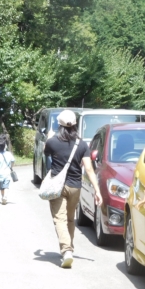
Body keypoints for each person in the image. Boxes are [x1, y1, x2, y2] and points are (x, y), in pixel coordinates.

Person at [44, 110, 102, 269]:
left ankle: (67, 250)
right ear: (75, 125)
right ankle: (69, 247)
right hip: (75, 186)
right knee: (70, 219)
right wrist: (97, 191)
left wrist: (49, 137)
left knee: (59, 219)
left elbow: (46, 152)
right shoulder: (82, 144)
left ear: (59, 125)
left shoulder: (52, 142)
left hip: (58, 186)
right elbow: (89, 169)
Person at [0, 135, 15, 205]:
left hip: (0, 174)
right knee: (6, 186)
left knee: (1, 187)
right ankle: (5, 196)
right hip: (7, 173)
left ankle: (2, 197)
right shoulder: (9, 154)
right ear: (5, 146)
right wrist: (11, 166)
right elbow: (13, 161)